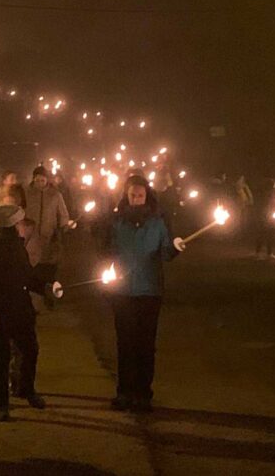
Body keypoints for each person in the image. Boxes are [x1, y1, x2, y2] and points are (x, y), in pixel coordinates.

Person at [95, 175, 180, 412]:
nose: (136, 199)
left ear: (147, 196)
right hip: (122, 293)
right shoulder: (116, 222)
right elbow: (106, 251)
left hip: (149, 292)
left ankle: (143, 393)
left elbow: (165, 253)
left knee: (145, 344)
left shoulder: (157, 222)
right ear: (126, 196)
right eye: (132, 195)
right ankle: (124, 392)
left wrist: (174, 249)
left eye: (140, 195)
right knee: (125, 343)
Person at [0, 202, 52, 421]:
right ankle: (1, 404)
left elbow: (26, 276)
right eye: (20, 223)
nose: (23, 226)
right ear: (13, 226)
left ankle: (26, 389)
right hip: (2, 310)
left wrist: (45, 287)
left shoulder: (17, 246)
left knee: (30, 349)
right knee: (1, 358)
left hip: (21, 308)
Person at [23, 166, 70, 285]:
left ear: (47, 180)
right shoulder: (27, 194)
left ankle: (47, 288)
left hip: (49, 236)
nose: (39, 183)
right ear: (33, 179)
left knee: (48, 264)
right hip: (30, 237)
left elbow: (63, 213)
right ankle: (33, 286)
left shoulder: (55, 195)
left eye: (42, 180)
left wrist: (65, 224)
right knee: (32, 263)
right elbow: (20, 211)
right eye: (37, 180)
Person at [253, 177, 275, 260]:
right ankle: (259, 253)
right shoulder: (264, 195)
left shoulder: (269, 194)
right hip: (263, 217)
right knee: (262, 235)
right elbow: (263, 206)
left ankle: (268, 253)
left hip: (267, 217)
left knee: (269, 235)